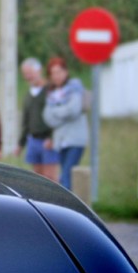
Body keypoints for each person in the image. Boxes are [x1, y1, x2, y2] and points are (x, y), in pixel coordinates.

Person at [42, 56, 89, 191]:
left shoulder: (75, 89)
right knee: (64, 174)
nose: (56, 76)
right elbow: (47, 117)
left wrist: (55, 111)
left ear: (66, 72)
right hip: (60, 141)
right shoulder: (52, 93)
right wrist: (63, 112)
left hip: (75, 139)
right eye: (53, 73)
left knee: (67, 177)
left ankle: (66, 207)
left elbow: (73, 110)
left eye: (59, 72)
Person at [13, 57, 59, 183]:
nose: (28, 76)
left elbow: (57, 116)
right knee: (37, 179)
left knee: (50, 178)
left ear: (39, 71)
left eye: (30, 73)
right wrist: (20, 144)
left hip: (48, 140)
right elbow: (26, 122)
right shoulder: (28, 95)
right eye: (25, 74)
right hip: (33, 140)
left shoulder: (51, 90)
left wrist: (52, 137)